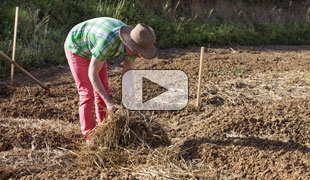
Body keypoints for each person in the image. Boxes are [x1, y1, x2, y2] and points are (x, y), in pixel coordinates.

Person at [64, 17, 158, 139]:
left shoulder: (136, 43)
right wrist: (109, 103)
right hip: (77, 46)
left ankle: (104, 131)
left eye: (141, 53)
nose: (139, 55)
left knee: (103, 92)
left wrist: (131, 101)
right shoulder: (108, 42)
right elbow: (93, 73)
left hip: (96, 48)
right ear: (129, 43)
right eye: (137, 52)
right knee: (87, 94)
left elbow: (127, 73)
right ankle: (89, 136)